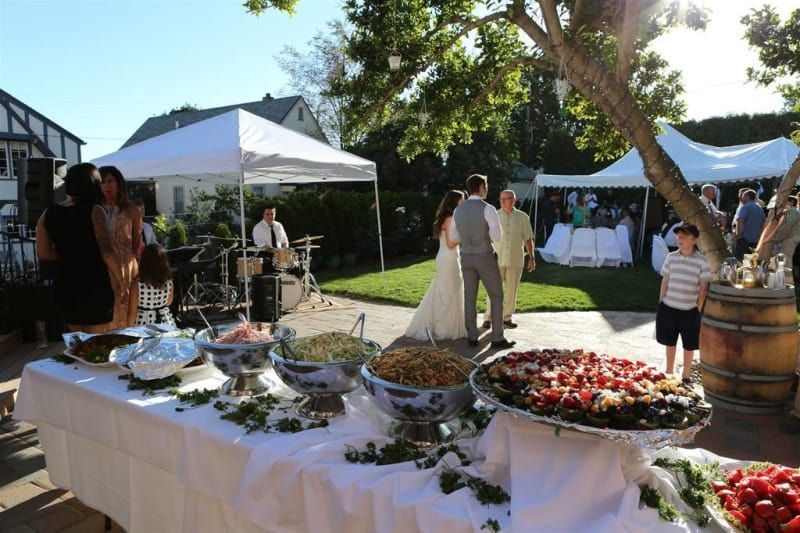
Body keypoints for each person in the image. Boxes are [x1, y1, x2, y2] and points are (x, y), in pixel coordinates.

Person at [35, 163, 114, 333]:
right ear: (94, 183)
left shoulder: (47, 214)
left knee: (76, 345)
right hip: (95, 285)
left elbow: (44, 253)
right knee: (97, 346)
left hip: (67, 286)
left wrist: (70, 255)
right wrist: (122, 282)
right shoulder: (97, 211)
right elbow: (108, 253)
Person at [450, 174, 515, 349]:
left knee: (469, 297)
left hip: (465, 256)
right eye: (485, 185)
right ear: (480, 187)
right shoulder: (488, 208)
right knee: (496, 295)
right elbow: (497, 236)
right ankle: (497, 338)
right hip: (484, 256)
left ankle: (472, 336)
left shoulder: (458, 210)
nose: (487, 189)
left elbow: (453, 236)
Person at [404, 191, 466, 340]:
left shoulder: (447, 218)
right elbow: (451, 243)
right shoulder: (450, 219)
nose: (464, 202)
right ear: (455, 202)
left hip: (447, 257)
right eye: (462, 200)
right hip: (448, 258)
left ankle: (445, 325)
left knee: (447, 289)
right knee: (448, 292)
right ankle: (443, 328)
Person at [656, 224, 711, 385]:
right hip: (669, 307)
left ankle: (686, 374)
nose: (679, 239)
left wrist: (698, 308)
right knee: (669, 341)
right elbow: (665, 280)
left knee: (689, 343)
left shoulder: (701, 261)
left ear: (695, 240)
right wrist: (661, 302)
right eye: (679, 236)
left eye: (684, 237)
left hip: (689, 310)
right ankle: (669, 371)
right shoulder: (671, 257)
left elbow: (703, 287)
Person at [482, 190, 534, 330]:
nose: (504, 201)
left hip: (515, 259)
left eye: (507, 199)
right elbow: (485, 238)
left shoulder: (523, 217)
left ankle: (506, 318)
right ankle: (488, 318)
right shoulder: (494, 216)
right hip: (495, 260)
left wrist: (532, 257)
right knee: (493, 291)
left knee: (512, 291)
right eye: (502, 199)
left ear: (514, 200)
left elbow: (528, 239)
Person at [98, 166, 142, 329]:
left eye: (110, 181)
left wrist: (134, 265)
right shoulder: (96, 210)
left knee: (125, 309)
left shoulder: (132, 210)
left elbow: (136, 242)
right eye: (102, 182)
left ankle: (124, 342)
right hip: (103, 265)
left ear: (118, 183)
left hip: (126, 265)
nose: (106, 186)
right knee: (106, 309)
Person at [128, 244, 176, 327]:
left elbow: (132, 313)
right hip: (165, 323)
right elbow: (168, 302)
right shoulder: (169, 283)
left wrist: (128, 331)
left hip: (143, 325)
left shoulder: (137, 285)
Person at [733, 189, 765, 259]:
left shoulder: (744, 207)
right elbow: (763, 224)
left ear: (747, 197)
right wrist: (760, 236)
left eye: (743, 196)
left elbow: (740, 220)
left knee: (740, 261)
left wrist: (738, 235)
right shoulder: (760, 208)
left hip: (744, 240)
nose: (741, 198)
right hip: (755, 240)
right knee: (751, 262)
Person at [775, 195, 800, 268]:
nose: (783, 203)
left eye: (785, 201)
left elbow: (789, 226)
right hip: (790, 237)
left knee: (786, 260)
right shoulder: (791, 211)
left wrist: (781, 238)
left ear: (791, 202)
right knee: (783, 260)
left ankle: (787, 278)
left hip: (790, 238)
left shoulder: (792, 210)